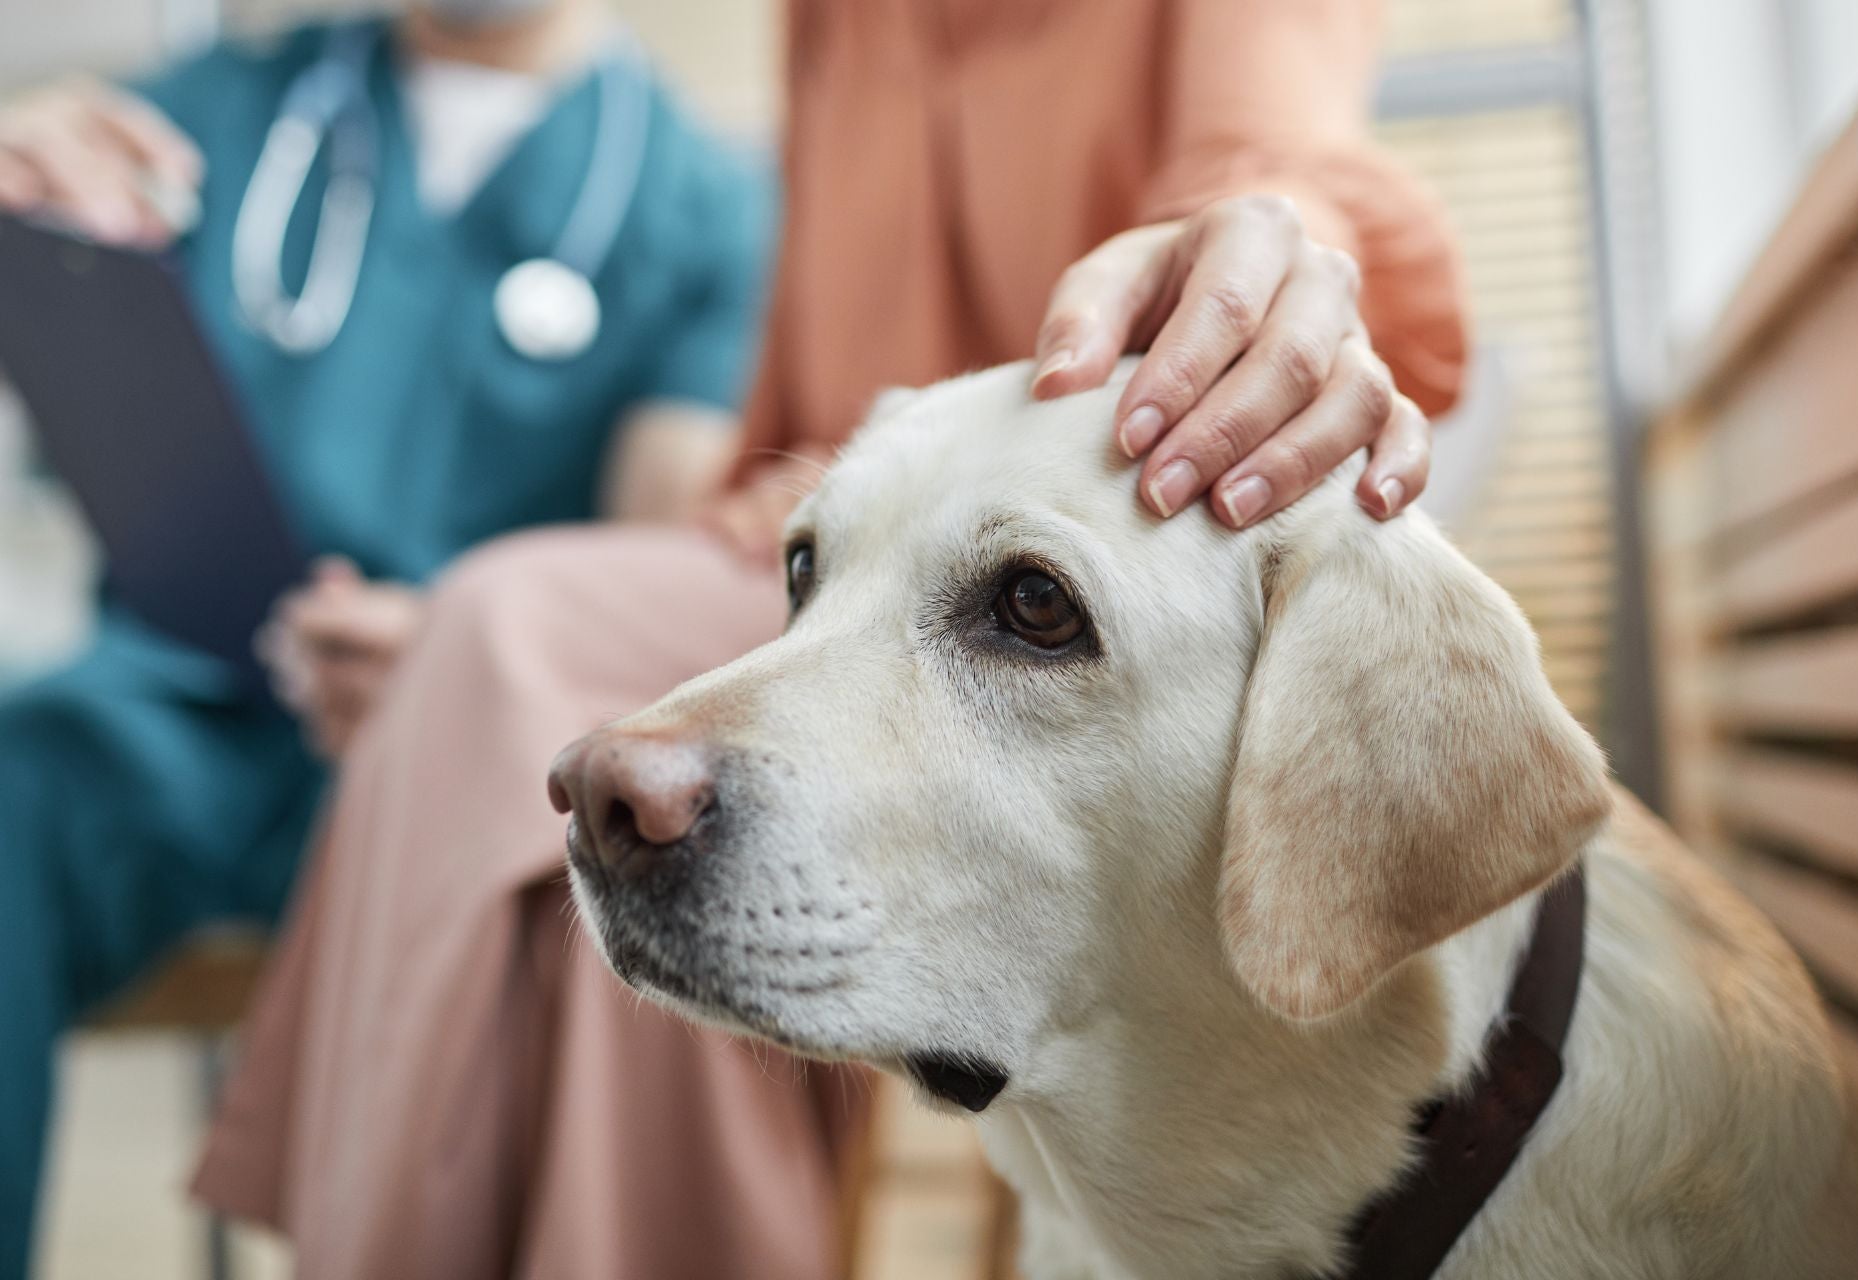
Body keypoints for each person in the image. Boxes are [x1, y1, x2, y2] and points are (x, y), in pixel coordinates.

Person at [191, 1, 1470, 1276]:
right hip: (829, 569)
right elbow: (792, 434)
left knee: (503, 630)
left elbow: (1270, 159)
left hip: (1090, 600)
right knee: (569, 777)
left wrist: (1271, 249)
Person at [0, 0, 771, 1273]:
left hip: (468, 763)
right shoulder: (215, 113)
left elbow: (655, 550)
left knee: (575, 914)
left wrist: (453, 645)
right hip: (175, 724)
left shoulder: (709, 203)